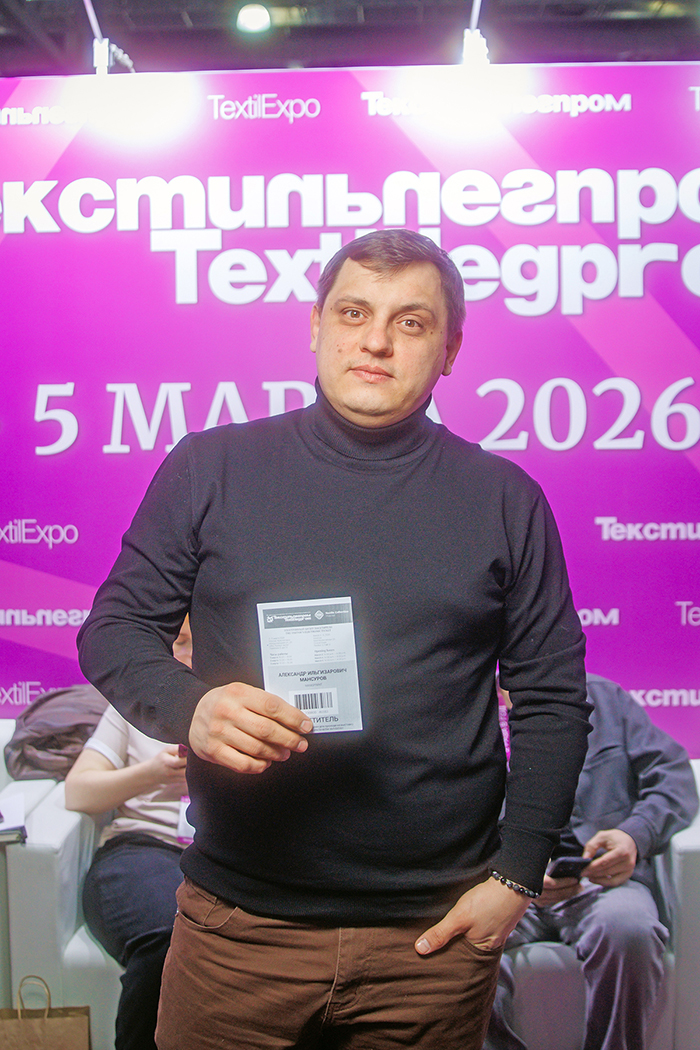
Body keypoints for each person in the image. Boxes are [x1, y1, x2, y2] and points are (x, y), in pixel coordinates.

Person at [77, 229, 590, 1050]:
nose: (375, 341)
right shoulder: (211, 467)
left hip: (431, 939)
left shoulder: (504, 499)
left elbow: (553, 699)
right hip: (239, 928)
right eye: (353, 313)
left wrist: (516, 876)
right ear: (316, 325)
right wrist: (191, 707)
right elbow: (115, 629)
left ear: (451, 350)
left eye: (410, 322)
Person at [485, 672, 699, 1050]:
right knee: (461, 943)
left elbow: (674, 780)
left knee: (629, 927)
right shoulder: (469, 712)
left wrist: (634, 836)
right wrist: (509, 871)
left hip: (601, 881)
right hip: (499, 884)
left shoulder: (604, 698)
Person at [65, 619, 194, 1050]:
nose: (191, 657)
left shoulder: (246, 708)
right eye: (180, 643)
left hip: (223, 855)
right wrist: (152, 774)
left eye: (203, 643)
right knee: (170, 933)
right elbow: (78, 791)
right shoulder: (134, 705)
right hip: (141, 851)